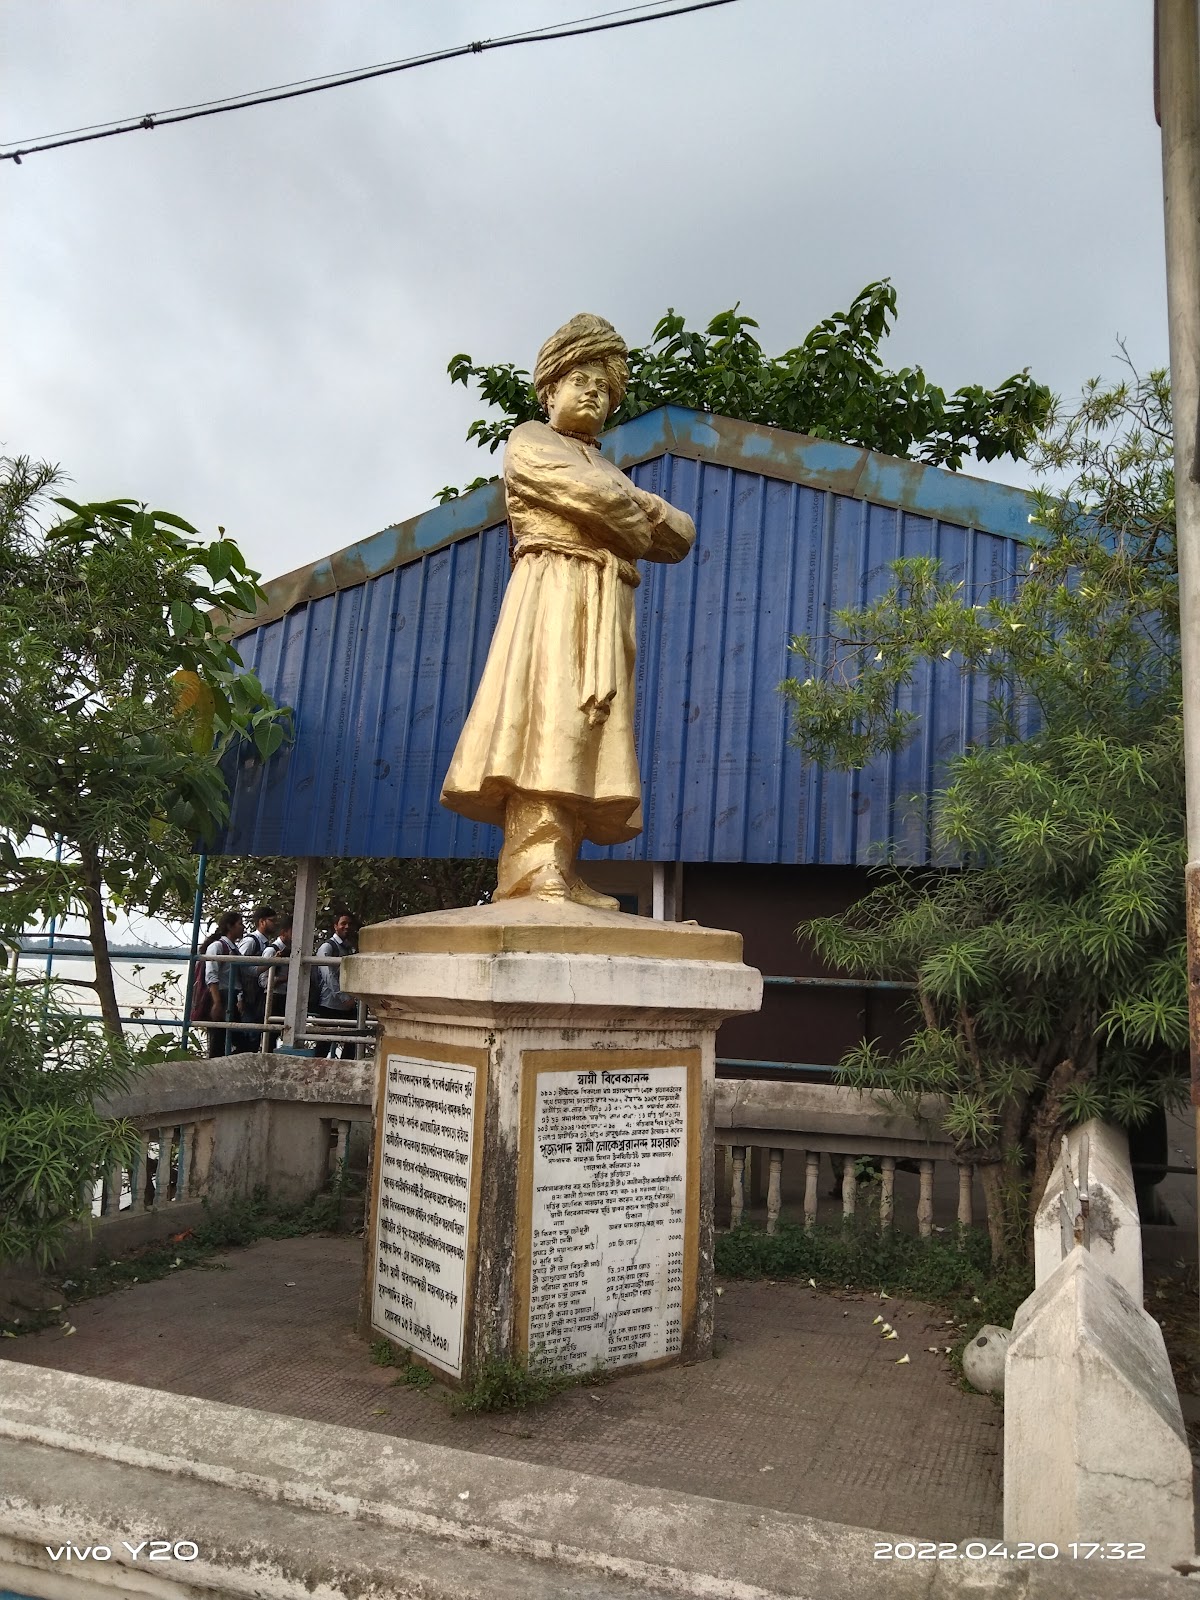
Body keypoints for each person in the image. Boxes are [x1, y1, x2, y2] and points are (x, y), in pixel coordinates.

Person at [440, 313, 695, 906]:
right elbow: (599, 501)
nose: (593, 394)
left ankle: (561, 865)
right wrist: (636, 513)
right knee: (548, 720)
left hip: (604, 602)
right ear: (551, 388)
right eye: (581, 380)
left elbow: (680, 535)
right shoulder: (529, 440)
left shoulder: (606, 467)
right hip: (554, 589)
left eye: (605, 388)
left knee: (586, 730)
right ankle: (532, 867)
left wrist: (629, 509)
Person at [313, 913, 358, 1058]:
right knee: (323, 1044)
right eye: (343, 923)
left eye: (349, 924)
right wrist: (344, 997)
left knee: (354, 1038)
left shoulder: (349, 948)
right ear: (335, 926)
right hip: (329, 1004)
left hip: (346, 1004)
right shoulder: (327, 947)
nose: (347, 927)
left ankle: (345, 1068)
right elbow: (328, 976)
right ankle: (316, 1070)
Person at [234, 904, 277, 1052]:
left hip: (257, 997)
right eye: (272, 920)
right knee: (249, 1036)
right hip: (248, 997)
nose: (275, 924)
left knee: (256, 1035)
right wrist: (240, 996)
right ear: (262, 921)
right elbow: (239, 968)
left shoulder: (264, 943)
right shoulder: (251, 941)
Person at [201, 910, 244, 1057]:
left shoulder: (234, 949)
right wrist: (217, 1002)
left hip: (231, 996)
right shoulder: (218, 947)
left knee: (232, 1039)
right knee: (219, 1040)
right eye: (240, 924)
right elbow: (211, 975)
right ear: (230, 926)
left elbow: (248, 971)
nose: (243, 927)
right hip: (222, 995)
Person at [258, 914, 292, 1052]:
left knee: (280, 1033)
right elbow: (263, 981)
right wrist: (284, 979)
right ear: (284, 932)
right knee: (270, 1036)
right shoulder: (271, 950)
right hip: (273, 998)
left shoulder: (291, 950)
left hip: (285, 997)